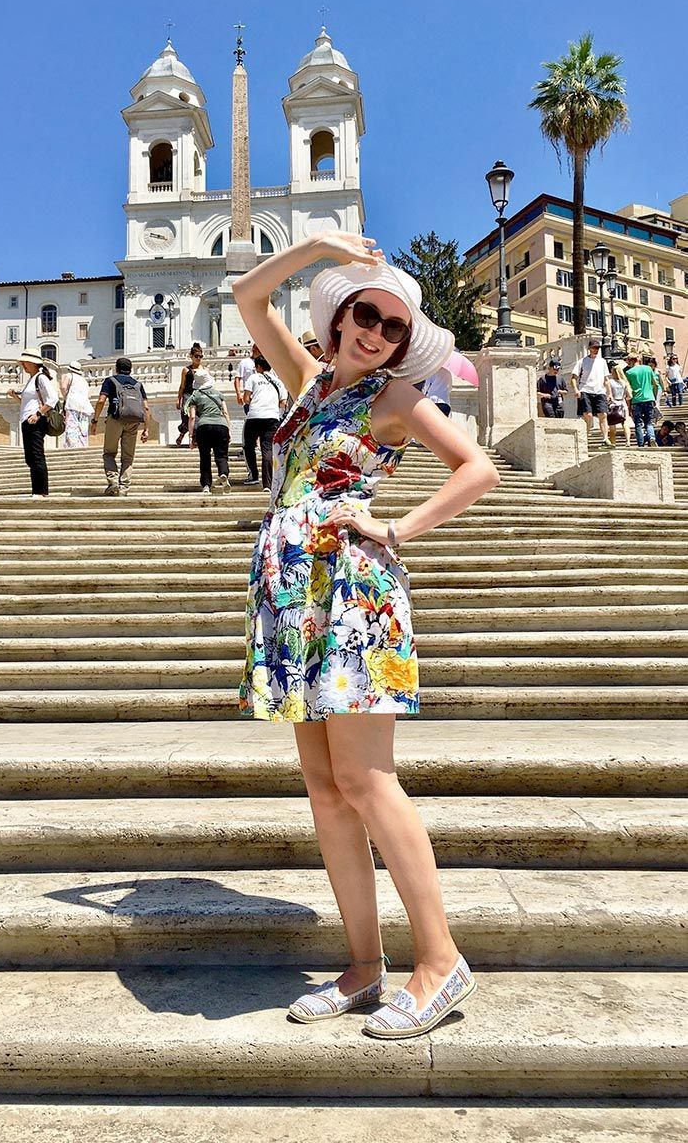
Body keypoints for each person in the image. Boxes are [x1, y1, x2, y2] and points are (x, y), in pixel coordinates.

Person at [233, 229, 499, 1040]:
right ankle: (363, 964)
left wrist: (396, 528)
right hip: (293, 598)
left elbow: (476, 468)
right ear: (339, 316)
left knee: (366, 779)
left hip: (352, 593)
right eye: (364, 315)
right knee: (324, 788)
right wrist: (314, 246)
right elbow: (249, 296)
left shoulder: (395, 399)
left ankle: (439, 958)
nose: (376, 333)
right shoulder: (308, 382)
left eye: (391, 326)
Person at [91, 357, 149, 496]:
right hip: (133, 421)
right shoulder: (138, 385)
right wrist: (146, 429)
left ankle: (113, 482)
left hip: (115, 419)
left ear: (116, 368)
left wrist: (95, 420)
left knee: (109, 453)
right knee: (128, 457)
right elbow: (146, 407)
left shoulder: (111, 381)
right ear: (130, 370)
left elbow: (101, 401)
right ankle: (124, 488)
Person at [7, 349, 59, 499]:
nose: (23, 364)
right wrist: (15, 397)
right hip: (27, 420)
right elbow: (25, 403)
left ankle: (41, 491)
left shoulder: (41, 377)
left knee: (36, 455)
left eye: (25, 362)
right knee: (30, 457)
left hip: (35, 420)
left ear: (33, 363)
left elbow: (53, 398)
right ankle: (36, 490)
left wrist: (38, 414)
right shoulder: (31, 379)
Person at [242, 355, 287, 490]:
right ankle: (267, 483)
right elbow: (283, 403)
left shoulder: (253, 378)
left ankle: (253, 476)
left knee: (248, 446)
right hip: (272, 417)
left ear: (259, 367)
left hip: (255, 415)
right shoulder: (278, 382)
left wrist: (255, 401)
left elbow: (246, 398)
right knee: (267, 450)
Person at [186, 368, 232, 494]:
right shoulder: (218, 393)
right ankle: (223, 473)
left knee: (205, 457)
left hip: (204, 426)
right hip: (221, 425)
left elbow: (192, 417)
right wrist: (229, 430)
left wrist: (191, 436)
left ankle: (206, 485)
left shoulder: (195, 395)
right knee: (221, 455)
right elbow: (225, 412)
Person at [570, 340, 611, 445]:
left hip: (599, 391)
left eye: (597, 348)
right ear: (589, 348)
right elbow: (574, 377)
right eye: (593, 347)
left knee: (603, 415)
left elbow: (606, 379)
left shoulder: (602, 362)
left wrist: (609, 393)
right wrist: (576, 389)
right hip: (585, 389)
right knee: (588, 415)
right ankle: (585, 438)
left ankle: (605, 439)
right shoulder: (582, 362)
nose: (596, 350)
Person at [623, 354, 658, 448]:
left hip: (636, 400)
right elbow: (655, 384)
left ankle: (641, 443)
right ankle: (651, 438)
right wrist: (654, 397)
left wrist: (629, 406)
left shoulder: (629, 373)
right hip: (649, 398)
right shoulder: (648, 369)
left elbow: (628, 391)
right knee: (649, 422)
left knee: (638, 423)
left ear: (630, 361)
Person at [60, 361, 94, 449]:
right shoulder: (84, 380)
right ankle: (83, 446)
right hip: (84, 406)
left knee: (72, 426)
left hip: (72, 404)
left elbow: (63, 387)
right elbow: (89, 394)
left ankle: (72, 446)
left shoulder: (69, 376)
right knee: (83, 427)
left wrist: (66, 397)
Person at [175, 345, 204, 446]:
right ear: (191, 356)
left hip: (199, 395)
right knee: (186, 416)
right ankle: (183, 433)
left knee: (196, 417)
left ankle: (194, 438)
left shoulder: (204, 370)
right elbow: (182, 386)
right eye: (196, 356)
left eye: (201, 356)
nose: (199, 358)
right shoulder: (186, 370)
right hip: (187, 395)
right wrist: (178, 399)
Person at [606, 362, 632, 447]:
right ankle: (628, 441)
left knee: (612, 424)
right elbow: (630, 396)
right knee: (625, 423)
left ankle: (613, 443)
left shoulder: (610, 382)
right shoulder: (624, 383)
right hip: (622, 403)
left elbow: (609, 395)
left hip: (613, 405)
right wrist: (624, 399)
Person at [234, 342, 260, 413]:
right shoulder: (245, 362)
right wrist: (238, 394)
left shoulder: (265, 362)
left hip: (262, 397)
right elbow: (237, 378)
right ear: (253, 350)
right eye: (258, 349)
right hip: (249, 398)